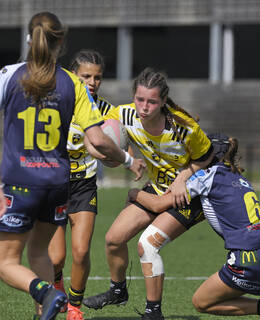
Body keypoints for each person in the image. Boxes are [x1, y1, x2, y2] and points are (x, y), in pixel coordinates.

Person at [0, 11, 145, 320]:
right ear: (61, 41)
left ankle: (48, 292)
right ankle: (47, 312)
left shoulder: (9, 75)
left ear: (29, 38)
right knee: (41, 254)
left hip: (20, 183)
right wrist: (129, 160)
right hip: (56, 185)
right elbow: (101, 140)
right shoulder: (71, 83)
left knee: (6, 263)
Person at [128, 133, 260, 320]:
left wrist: (134, 193)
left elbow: (158, 205)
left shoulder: (205, 176)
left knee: (201, 302)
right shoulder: (239, 177)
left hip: (251, 254)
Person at [83, 67, 215, 320]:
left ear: (163, 101)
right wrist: (113, 154)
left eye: (152, 101)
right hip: (156, 188)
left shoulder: (184, 127)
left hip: (188, 195)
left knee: (147, 245)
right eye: (140, 99)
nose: (144, 107)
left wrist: (182, 179)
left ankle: (153, 313)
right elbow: (99, 134)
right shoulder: (124, 114)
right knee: (113, 239)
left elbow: (207, 158)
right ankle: (118, 290)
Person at [47, 49, 115, 320]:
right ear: (73, 75)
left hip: (84, 186)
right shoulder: (57, 102)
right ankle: (56, 291)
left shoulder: (108, 110)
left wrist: (118, 154)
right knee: (56, 259)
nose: (92, 81)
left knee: (82, 250)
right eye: (86, 75)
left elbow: (115, 144)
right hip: (54, 185)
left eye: (97, 77)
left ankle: (74, 306)